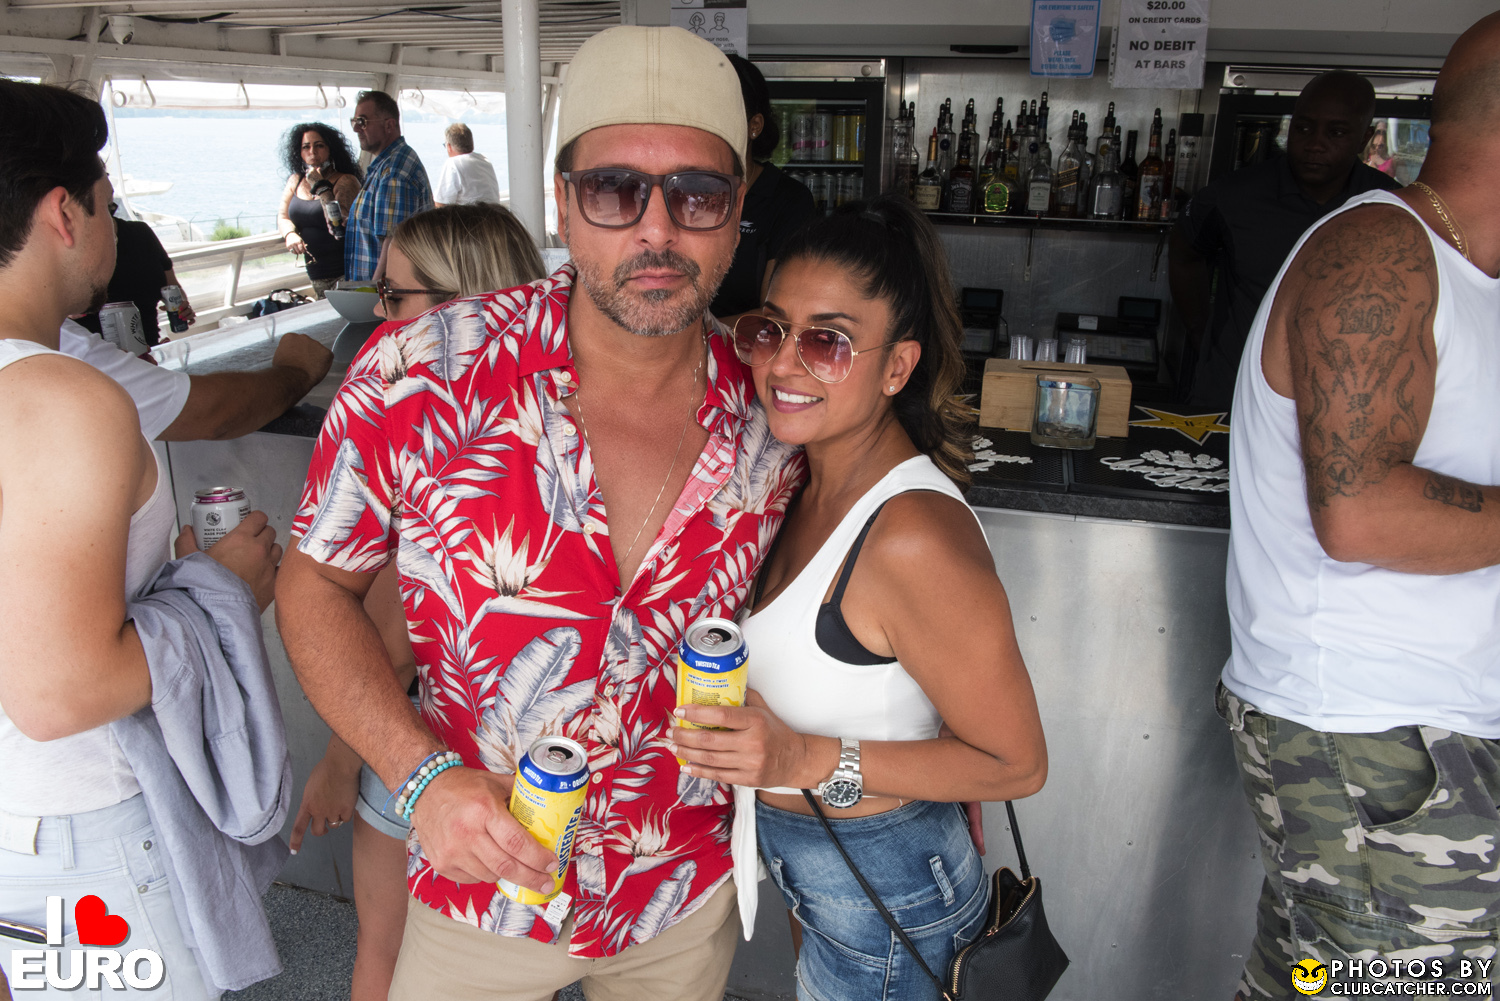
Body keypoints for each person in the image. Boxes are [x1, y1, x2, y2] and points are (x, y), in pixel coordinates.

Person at [275, 25, 804, 1001]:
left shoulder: (781, 411)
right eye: (613, 190)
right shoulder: (419, 373)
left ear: (738, 212)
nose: (656, 231)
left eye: (697, 195)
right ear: (562, 201)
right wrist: (417, 776)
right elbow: (312, 585)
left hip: (679, 890)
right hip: (480, 895)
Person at [672, 196, 1048, 1000]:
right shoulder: (797, 479)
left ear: (897, 367)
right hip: (828, 881)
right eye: (772, 329)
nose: (783, 365)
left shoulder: (911, 535)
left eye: (828, 341)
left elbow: (1016, 762)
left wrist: (801, 759)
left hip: (894, 903)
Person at [1219, 14, 1500, 998]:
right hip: (1373, 735)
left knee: (1312, 975)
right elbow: (1362, 513)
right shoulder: (1380, 250)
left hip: (1412, 731)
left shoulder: (1468, 275)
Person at [0, 79, 283, 998]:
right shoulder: (61, 398)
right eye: (106, 202)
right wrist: (224, 589)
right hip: (79, 821)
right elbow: (61, 691)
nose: (113, 225)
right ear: (63, 214)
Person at [289, 201, 545, 1001]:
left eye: (395, 296)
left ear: (463, 305)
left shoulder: (430, 434)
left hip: (421, 756)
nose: (379, 316)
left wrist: (340, 761)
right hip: (530, 765)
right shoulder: (538, 432)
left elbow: (392, 636)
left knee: (385, 952)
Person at [1169, 70, 1400, 412]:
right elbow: (1184, 251)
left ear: (1364, 137)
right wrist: (1202, 334)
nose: (1315, 144)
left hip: (1343, 403)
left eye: (1336, 132)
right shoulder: (1235, 195)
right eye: (1303, 128)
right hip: (1235, 395)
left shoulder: (1391, 207)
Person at [710, 54, 816, 322]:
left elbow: (776, 314)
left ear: (754, 126)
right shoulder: (683, 191)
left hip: (744, 348)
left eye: (721, 117)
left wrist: (697, 336)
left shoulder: (789, 200)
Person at [345, 90, 433, 283]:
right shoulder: (388, 164)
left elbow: (394, 243)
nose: (356, 129)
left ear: (389, 125)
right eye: (354, 122)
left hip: (379, 293)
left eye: (362, 122)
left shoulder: (394, 172)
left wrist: (374, 294)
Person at [77, 207, 197, 345]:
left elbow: (172, 286)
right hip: (93, 354)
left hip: (148, 349)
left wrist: (182, 306)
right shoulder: (68, 249)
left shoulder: (141, 233)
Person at [278, 122, 363, 298]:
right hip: (316, 275)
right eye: (306, 147)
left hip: (344, 274)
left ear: (331, 149)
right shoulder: (295, 180)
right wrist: (289, 234)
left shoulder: (346, 181)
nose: (313, 152)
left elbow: (338, 224)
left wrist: (320, 185)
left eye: (319, 146)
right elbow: (283, 216)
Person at [434, 123, 502, 207]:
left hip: (471, 215)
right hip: (494, 213)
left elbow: (441, 204)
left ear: (449, 146)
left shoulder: (453, 163)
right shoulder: (485, 161)